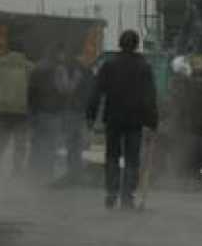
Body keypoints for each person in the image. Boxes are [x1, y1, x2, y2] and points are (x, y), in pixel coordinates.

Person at [86, 30, 158, 209]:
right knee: (132, 158)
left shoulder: (109, 65)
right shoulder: (144, 67)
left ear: (120, 43)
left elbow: (96, 92)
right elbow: (150, 97)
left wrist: (91, 115)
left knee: (112, 156)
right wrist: (152, 121)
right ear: (136, 44)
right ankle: (127, 196)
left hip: (113, 118)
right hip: (135, 120)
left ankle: (111, 193)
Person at [0, 40, 34, 175]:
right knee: (20, 143)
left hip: (0, 109)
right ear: (23, 51)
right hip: (22, 111)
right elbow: (35, 90)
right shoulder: (29, 67)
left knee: (0, 140)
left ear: (9, 50)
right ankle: (17, 170)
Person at [28, 44, 66, 178]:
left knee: (36, 143)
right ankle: (47, 172)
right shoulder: (59, 69)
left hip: (38, 112)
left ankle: (33, 172)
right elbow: (63, 90)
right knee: (50, 144)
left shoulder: (37, 68)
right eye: (61, 53)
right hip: (53, 112)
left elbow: (31, 91)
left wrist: (31, 111)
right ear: (57, 54)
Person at [57, 55, 93, 183]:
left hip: (73, 111)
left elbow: (66, 91)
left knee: (73, 143)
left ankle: (73, 172)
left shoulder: (74, 73)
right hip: (79, 111)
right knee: (76, 143)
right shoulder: (87, 72)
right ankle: (75, 172)